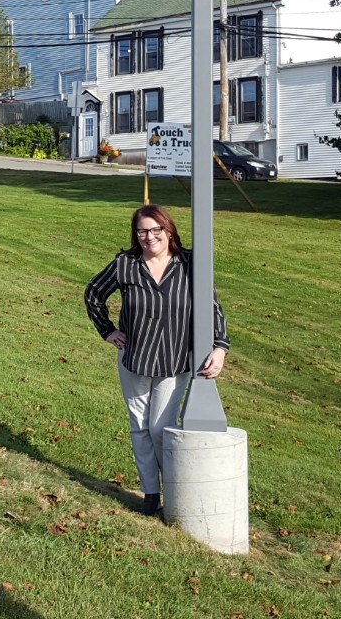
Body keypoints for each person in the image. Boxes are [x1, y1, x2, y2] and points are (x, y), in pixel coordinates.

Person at [84, 204, 229, 515]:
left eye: (155, 230)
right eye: (142, 231)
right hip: (135, 357)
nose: (149, 237)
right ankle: (151, 495)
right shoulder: (126, 264)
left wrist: (220, 346)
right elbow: (94, 293)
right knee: (139, 426)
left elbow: (211, 304)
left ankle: (177, 490)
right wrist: (107, 331)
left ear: (168, 231)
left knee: (160, 427)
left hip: (174, 359)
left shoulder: (189, 263)